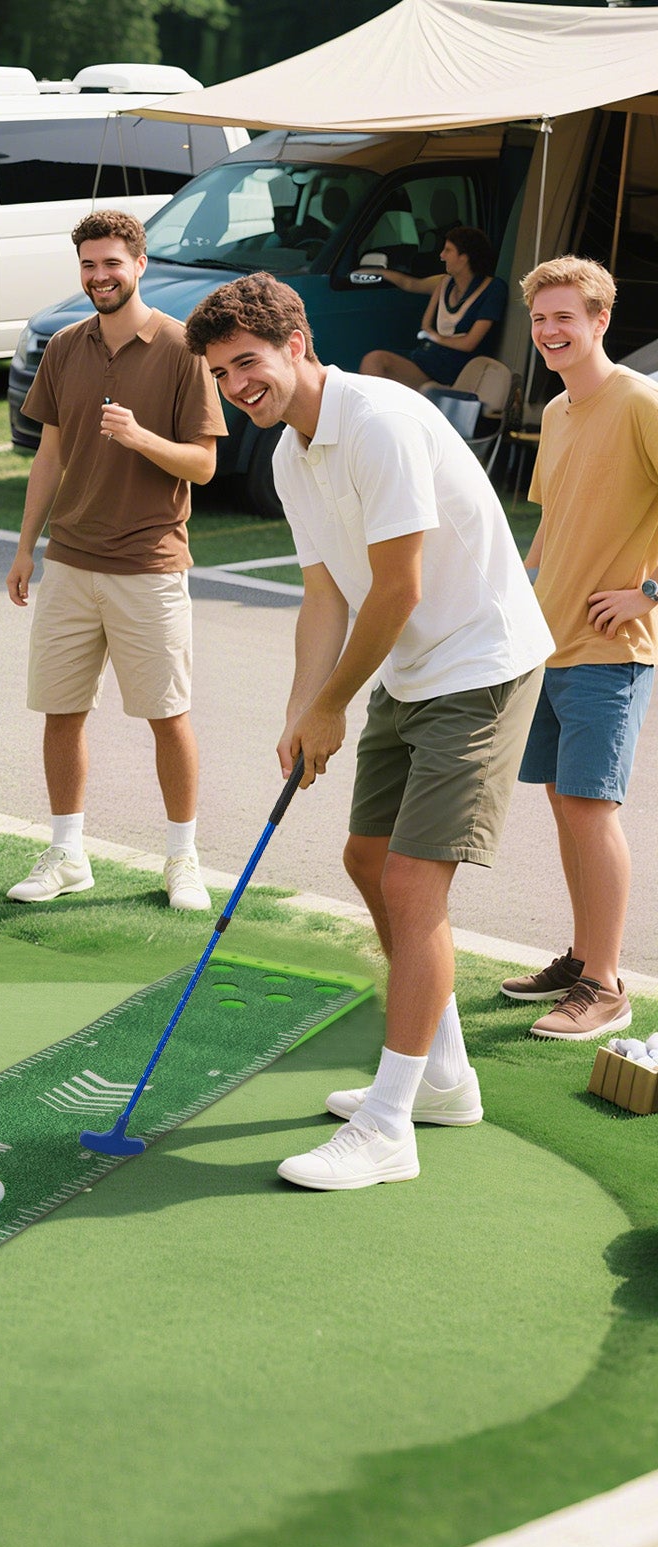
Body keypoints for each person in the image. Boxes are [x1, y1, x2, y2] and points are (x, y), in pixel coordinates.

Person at [187, 272, 553, 1191]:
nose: (239, 387)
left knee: (412, 881)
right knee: (365, 857)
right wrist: (300, 705)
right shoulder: (287, 456)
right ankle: (443, 1075)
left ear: (298, 344)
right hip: (408, 666)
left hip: (481, 662)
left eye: (248, 364)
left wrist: (331, 706)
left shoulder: (379, 421)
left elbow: (399, 589)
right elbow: (326, 597)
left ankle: (391, 1126)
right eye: (223, 376)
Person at [5, 210, 224, 912]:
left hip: (151, 564)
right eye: (89, 265)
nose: (100, 276)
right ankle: (66, 854)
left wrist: (141, 439)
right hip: (70, 561)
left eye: (111, 264)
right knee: (61, 712)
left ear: (140, 264)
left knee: (169, 715)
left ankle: (182, 858)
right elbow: (51, 454)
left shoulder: (185, 349)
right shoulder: (66, 346)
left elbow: (205, 463)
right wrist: (24, 547)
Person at [503, 256, 658, 1040]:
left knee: (593, 812)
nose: (549, 331)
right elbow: (551, 528)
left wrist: (650, 592)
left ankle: (605, 984)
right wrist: (512, 599)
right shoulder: (560, 412)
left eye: (565, 317)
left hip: (612, 648)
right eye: (539, 319)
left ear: (601, 320)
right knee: (568, 810)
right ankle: (580, 957)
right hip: (548, 644)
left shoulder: (640, 401)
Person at [360, 225, 508, 391]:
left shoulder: (493, 289)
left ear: (464, 258)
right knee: (373, 360)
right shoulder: (445, 282)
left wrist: (435, 338)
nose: (441, 256)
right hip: (427, 361)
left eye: (448, 250)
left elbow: (469, 343)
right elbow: (409, 283)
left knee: (376, 361)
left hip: (455, 372)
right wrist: (372, 272)